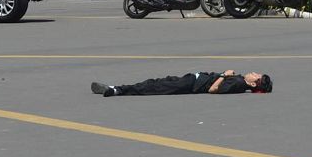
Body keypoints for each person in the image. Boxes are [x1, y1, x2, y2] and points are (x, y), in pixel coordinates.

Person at [91, 71, 272, 97]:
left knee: (153, 87)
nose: (254, 73)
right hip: (191, 79)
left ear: (255, 84)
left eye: (256, 75)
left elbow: (213, 89)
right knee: (155, 83)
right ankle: (117, 88)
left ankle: (115, 90)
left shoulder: (238, 84)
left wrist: (224, 75)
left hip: (191, 84)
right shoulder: (240, 80)